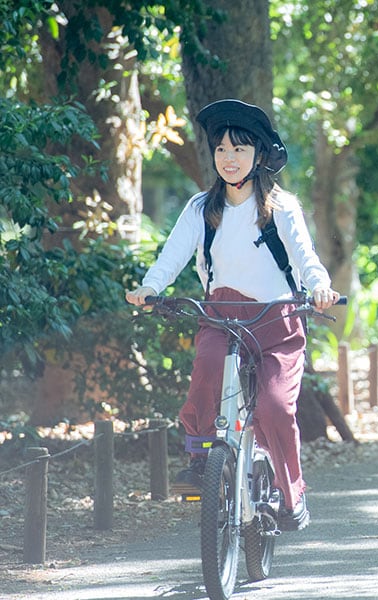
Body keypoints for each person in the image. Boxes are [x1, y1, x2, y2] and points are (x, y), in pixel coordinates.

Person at [125, 99, 340, 531]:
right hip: (220, 316)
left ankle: (289, 490)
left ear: (259, 155)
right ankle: (203, 457)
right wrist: (151, 287)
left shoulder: (281, 207)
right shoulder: (201, 208)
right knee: (205, 370)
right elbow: (172, 257)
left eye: (239, 149)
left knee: (276, 408)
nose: (229, 158)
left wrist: (319, 287)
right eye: (221, 149)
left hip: (276, 320)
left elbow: (305, 257)